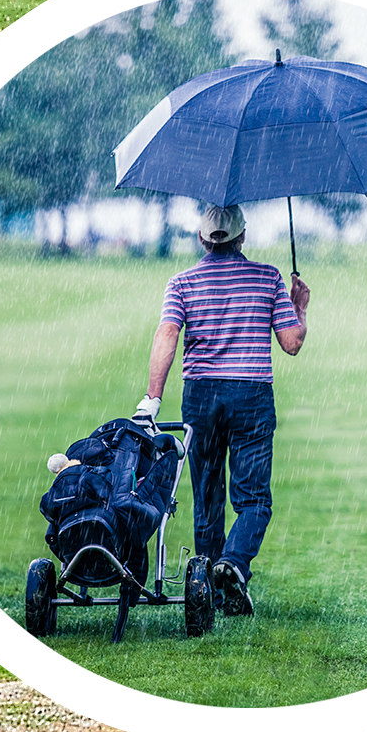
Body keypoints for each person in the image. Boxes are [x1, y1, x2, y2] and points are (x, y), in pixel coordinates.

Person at [136, 203, 307, 615]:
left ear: (201, 238)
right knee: (253, 501)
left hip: (200, 397)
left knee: (207, 497)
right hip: (251, 396)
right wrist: (298, 305)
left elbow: (167, 335)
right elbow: (292, 343)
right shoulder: (268, 278)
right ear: (242, 236)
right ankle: (233, 564)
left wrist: (153, 397)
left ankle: (206, 588)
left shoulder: (182, 283)